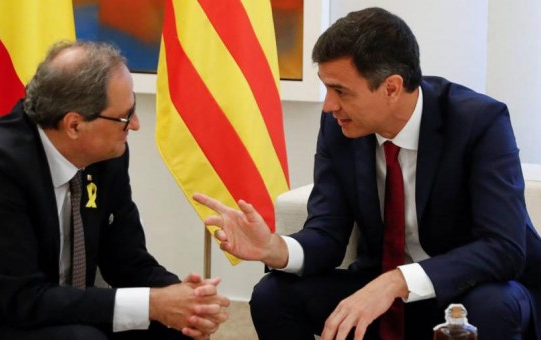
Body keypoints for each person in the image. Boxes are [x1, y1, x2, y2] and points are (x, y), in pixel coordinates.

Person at [193, 7, 540, 340]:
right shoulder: (339, 126)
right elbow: (327, 234)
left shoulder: (479, 122)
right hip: (379, 288)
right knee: (273, 295)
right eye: (326, 88)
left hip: (466, 292)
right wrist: (273, 247)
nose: (329, 105)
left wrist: (397, 281)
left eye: (340, 91)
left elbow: (503, 247)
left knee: (493, 305)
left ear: (391, 87)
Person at [0, 41, 229, 340]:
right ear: (74, 125)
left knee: (174, 329)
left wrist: (184, 298)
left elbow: (128, 261)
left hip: (56, 306)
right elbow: (23, 299)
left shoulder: (107, 156)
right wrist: (153, 303)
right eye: (125, 116)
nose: (136, 125)